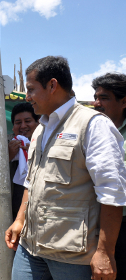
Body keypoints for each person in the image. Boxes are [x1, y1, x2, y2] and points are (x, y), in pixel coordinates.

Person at [5, 56, 126, 280]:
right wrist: (20, 219)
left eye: (31, 89)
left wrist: (105, 252)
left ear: (52, 85)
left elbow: (112, 193)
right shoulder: (41, 128)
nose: (27, 96)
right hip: (30, 248)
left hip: (71, 255)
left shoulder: (93, 124)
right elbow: (31, 181)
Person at [92, 72, 126, 280]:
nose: (96, 103)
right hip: (97, 223)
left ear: (124, 101)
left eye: (103, 98)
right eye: (96, 97)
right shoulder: (91, 130)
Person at [8, 102, 39, 221]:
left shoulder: (45, 144)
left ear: (38, 123)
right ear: (13, 126)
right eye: (18, 122)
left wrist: (34, 153)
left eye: (28, 121)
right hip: (12, 214)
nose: (23, 126)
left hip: (36, 213)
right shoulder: (3, 145)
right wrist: (8, 156)